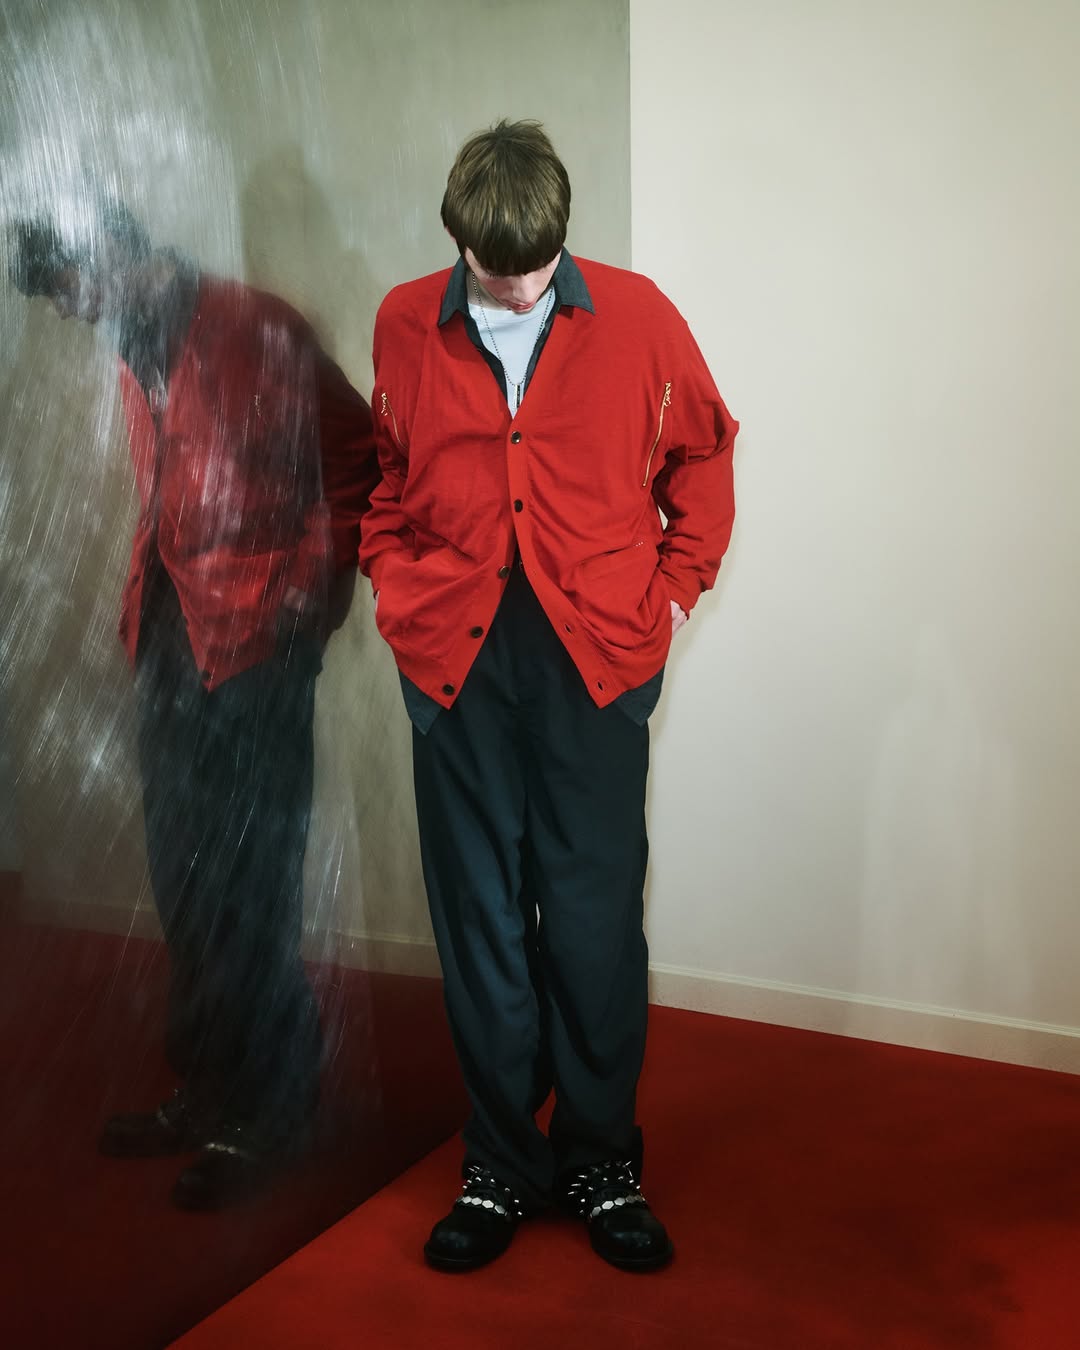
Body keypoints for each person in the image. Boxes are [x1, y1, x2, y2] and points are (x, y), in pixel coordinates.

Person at [359, 119, 738, 1271]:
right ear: (458, 239)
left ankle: (602, 1160)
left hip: (596, 666)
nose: (519, 290)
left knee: (592, 923)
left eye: (537, 268)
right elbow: (388, 474)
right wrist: (394, 584)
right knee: (479, 923)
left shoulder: (639, 316)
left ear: (561, 237)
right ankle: (499, 1164)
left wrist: (672, 600)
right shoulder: (402, 322)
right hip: (457, 669)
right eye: (495, 270)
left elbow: (705, 455)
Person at [8, 205, 379, 1209]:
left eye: (75, 288)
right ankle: (212, 1090)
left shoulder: (256, 326)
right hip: (174, 645)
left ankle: (275, 1109)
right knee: (187, 883)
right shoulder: (136, 342)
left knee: (254, 889)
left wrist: (304, 594)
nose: (73, 312)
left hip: (257, 646)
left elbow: (357, 462)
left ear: (119, 254)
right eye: (60, 300)